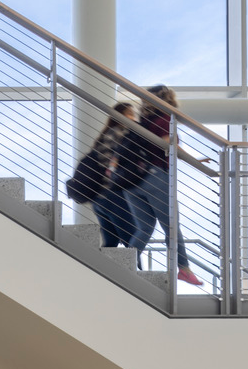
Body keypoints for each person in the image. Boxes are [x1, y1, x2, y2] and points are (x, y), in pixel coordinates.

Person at [111, 85, 203, 286]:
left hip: (131, 182)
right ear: (168, 100)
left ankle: (122, 264)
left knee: (145, 227)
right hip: (154, 178)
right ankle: (184, 269)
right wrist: (194, 161)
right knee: (171, 226)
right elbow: (168, 144)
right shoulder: (166, 119)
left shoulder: (141, 123)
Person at [68, 102, 138, 247]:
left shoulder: (106, 135)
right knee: (132, 240)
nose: (133, 118)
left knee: (111, 243)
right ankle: (135, 264)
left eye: (134, 115)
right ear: (119, 116)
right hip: (113, 195)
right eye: (129, 114)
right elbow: (114, 164)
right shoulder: (119, 133)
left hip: (99, 199)